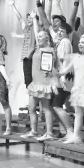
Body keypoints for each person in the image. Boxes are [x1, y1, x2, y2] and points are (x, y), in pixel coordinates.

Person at [21, 11, 58, 141]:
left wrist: (52, 82)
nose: (38, 39)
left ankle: (49, 132)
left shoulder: (48, 50)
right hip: (35, 83)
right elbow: (36, 33)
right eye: (38, 38)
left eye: (41, 37)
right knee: (31, 108)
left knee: (46, 108)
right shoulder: (38, 48)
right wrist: (34, 19)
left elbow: (49, 69)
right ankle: (34, 130)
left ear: (47, 39)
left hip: (44, 83)